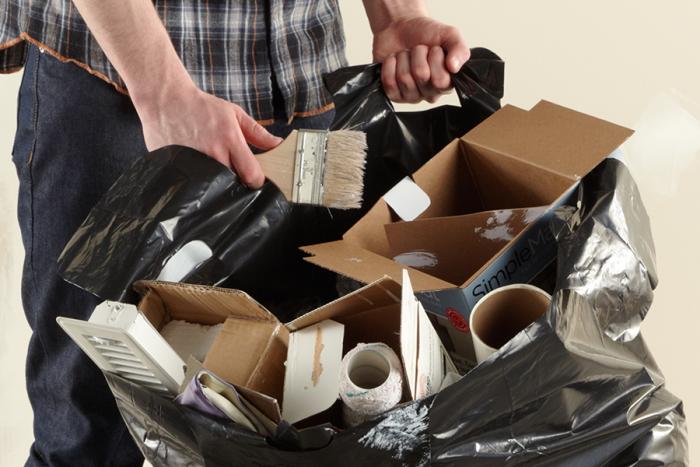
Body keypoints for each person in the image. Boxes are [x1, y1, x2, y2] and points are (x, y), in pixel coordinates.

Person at [0, 0, 468, 465]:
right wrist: (161, 92)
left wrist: (395, 15)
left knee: (302, 410)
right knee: (89, 438)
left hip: (298, 73)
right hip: (122, 81)